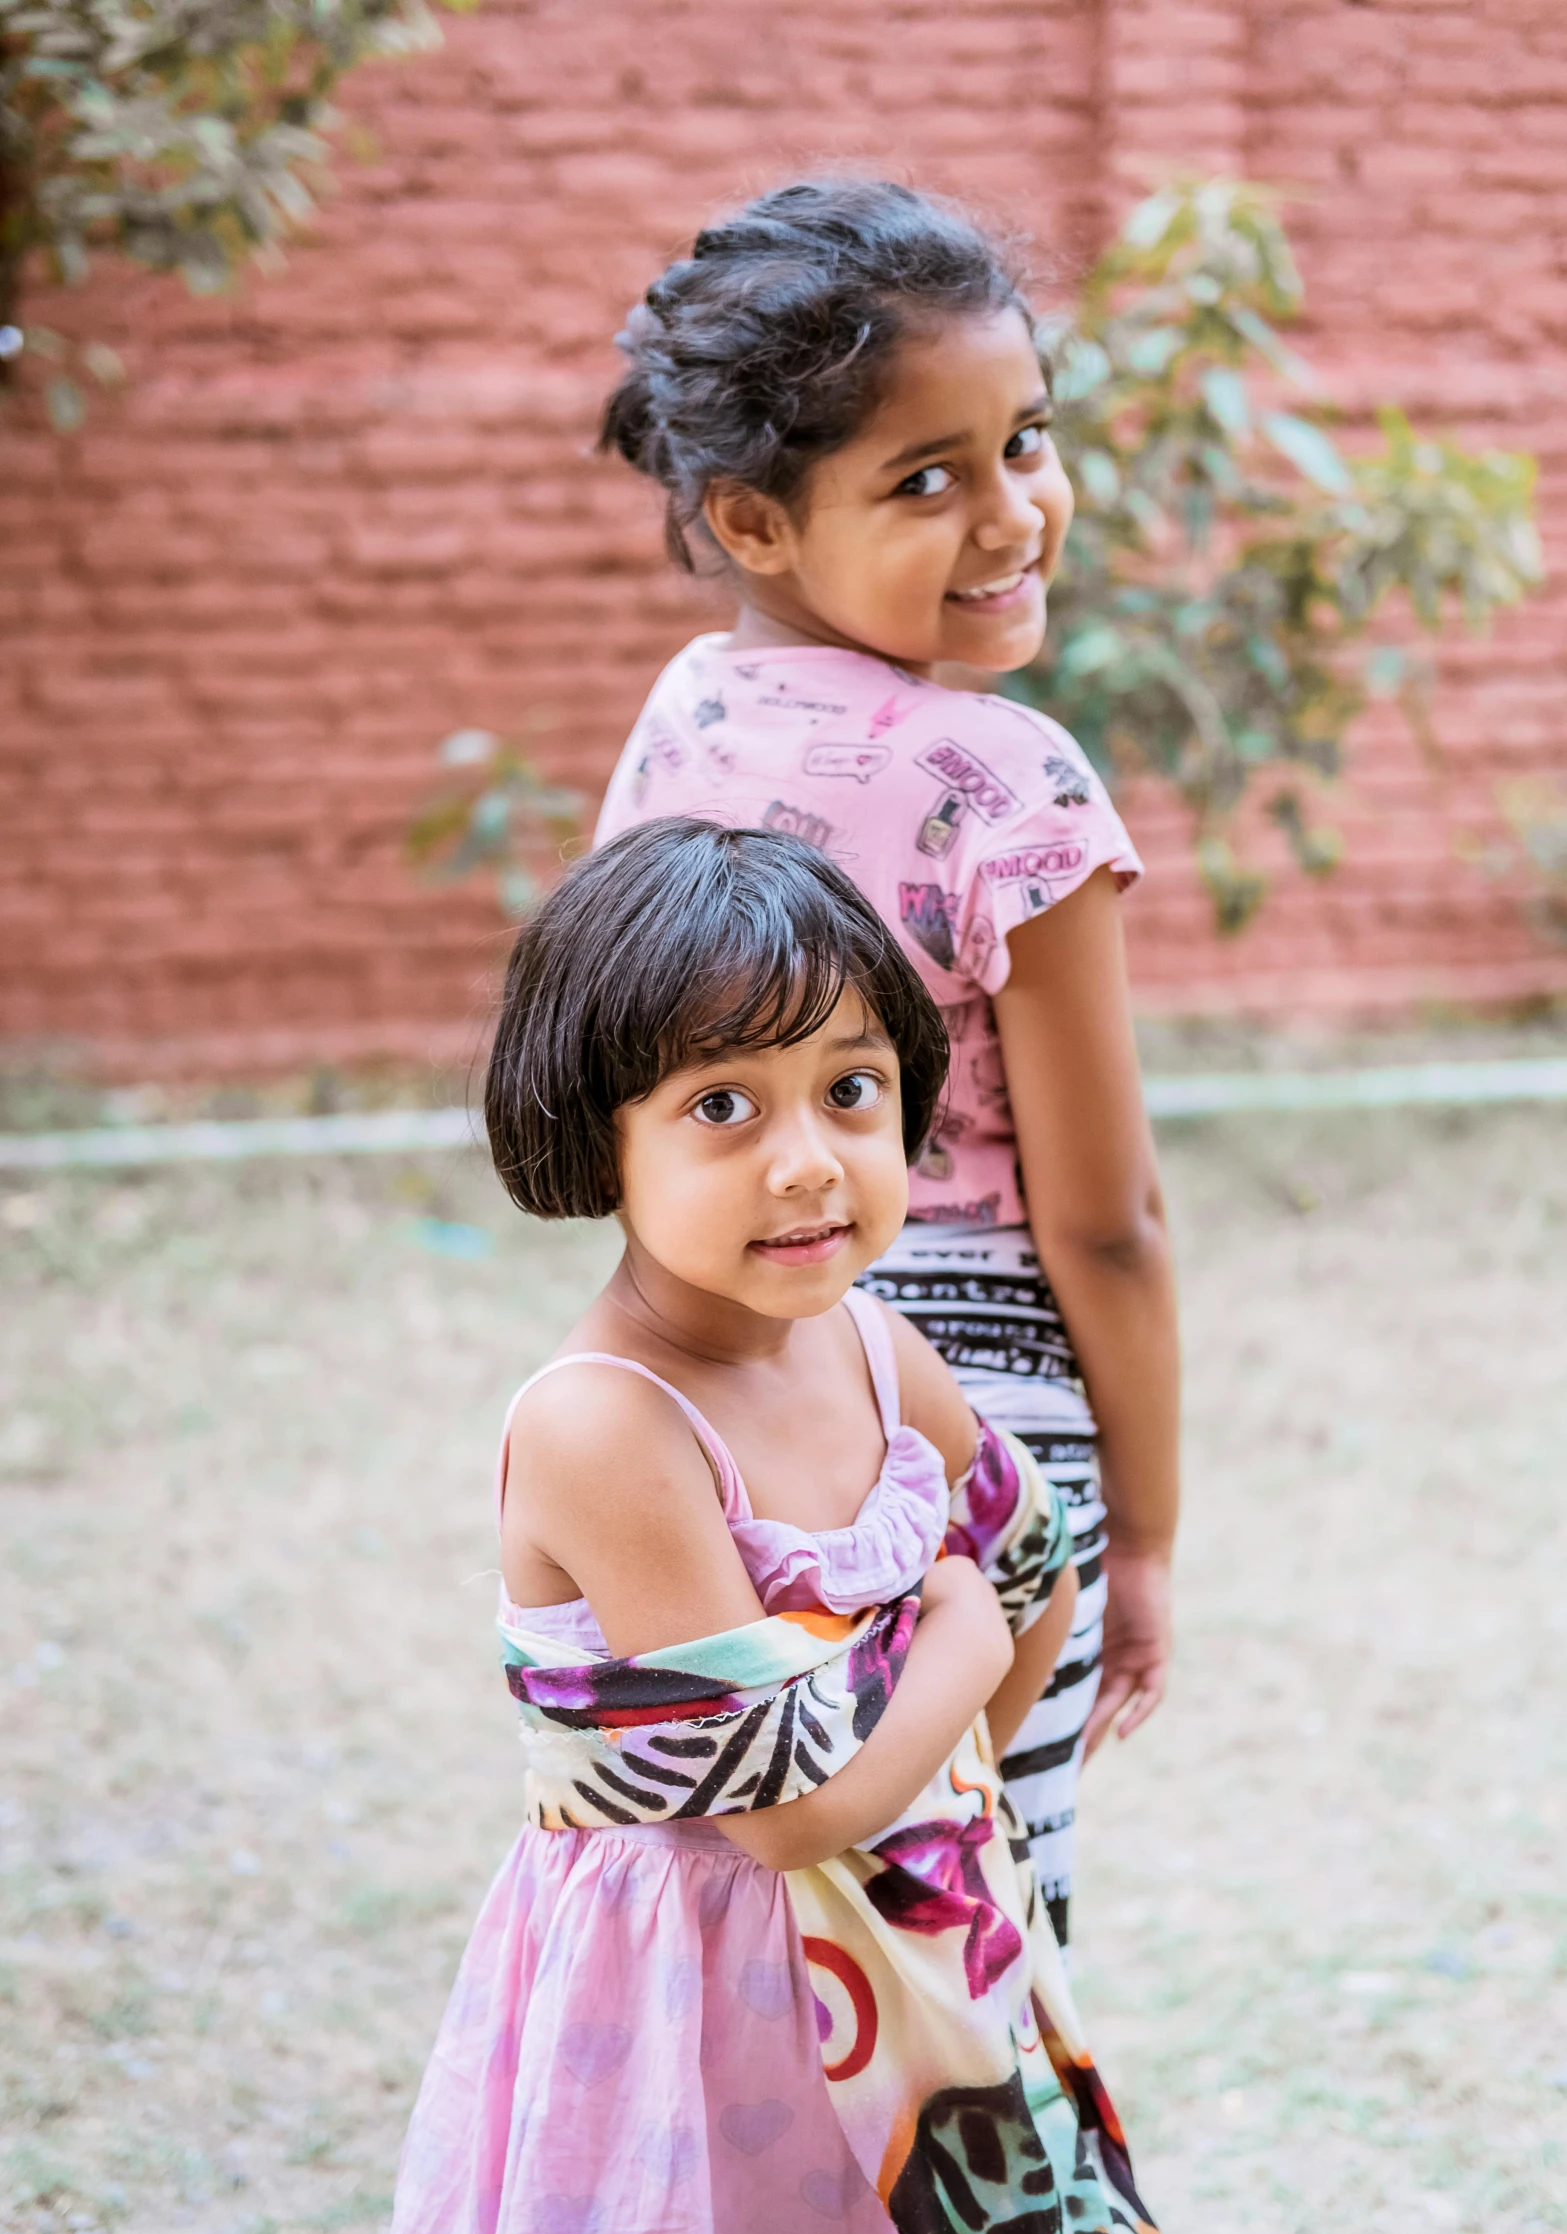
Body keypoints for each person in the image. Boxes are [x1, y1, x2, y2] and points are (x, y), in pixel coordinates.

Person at [365, 820, 1207, 2234]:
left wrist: (959, 1737)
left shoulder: (878, 1344)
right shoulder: (607, 1421)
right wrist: (945, 1641)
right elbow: (785, 1805)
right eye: (722, 1106)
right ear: (594, 1133)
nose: (807, 1156)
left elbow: (1035, 1559)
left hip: (933, 1950)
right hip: (699, 2000)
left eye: (850, 1087)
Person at [593, 180, 1179, 1950]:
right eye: (925, 480)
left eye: (1025, 443)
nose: (1012, 516)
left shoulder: (687, 709)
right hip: (971, 1433)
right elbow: (1106, 1221)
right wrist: (1135, 1534)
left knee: (775, 1962)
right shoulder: (1007, 780)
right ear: (754, 518)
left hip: (720, 1398)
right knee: (966, 1948)